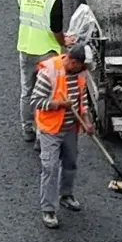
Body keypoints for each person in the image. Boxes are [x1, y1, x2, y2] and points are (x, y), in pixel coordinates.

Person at [31, 45, 91, 229]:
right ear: (73, 61)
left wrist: (87, 122)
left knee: (70, 162)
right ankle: (48, 209)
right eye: (80, 66)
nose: (82, 70)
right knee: (50, 167)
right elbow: (36, 101)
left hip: (71, 128)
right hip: (51, 130)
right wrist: (59, 104)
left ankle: (66, 195)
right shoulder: (49, 72)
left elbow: (84, 100)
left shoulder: (81, 73)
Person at [17, 0, 68, 142]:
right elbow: (56, 28)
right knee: (45, 93)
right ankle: (41, 135)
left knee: (27, 91)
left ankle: (27, 129)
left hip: (25, 49)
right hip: (47, 53)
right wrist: (64, 42)